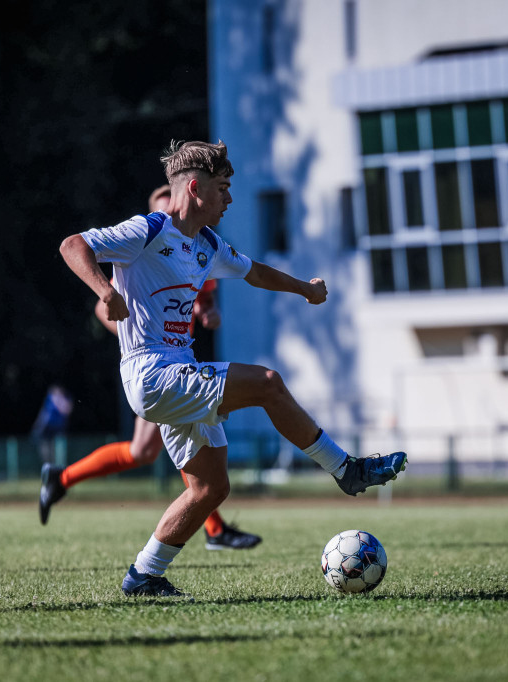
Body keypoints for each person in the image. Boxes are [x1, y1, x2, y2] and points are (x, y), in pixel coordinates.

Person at [59, 140, 407, 596]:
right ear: (196, 188)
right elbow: (73, 245)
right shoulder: (147, 230)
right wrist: (104, 289)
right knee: (267, 383)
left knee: (210, 488)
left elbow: (257, 272)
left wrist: (304, 289)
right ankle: (346, 469)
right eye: (223, 189)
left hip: (177, 374)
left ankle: (143, 575)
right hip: (152, 374)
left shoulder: (206, 244)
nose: (229, 199)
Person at [41, 185, 261, 550]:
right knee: (164, 445)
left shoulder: (195, 249)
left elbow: (203, 302)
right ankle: (214, 528)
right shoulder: (145, 245)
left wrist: (208, 313)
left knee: (144, 451)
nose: (173, 218)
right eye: (164, 211)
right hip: (155, 366)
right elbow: (102, 308)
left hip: (178, 364)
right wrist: (135, 331)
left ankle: (61, 478)